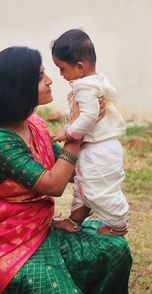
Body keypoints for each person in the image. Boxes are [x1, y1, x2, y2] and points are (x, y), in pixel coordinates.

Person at [0, 46, 132, 294]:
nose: (49, 81)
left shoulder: (35, 124)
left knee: (114, 249)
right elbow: (54, 185)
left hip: (41, 228)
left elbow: (68, 172)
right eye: (39, 76)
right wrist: (77, 133)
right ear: (17, 87)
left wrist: (94, 131)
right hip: (4, 243)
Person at [51, 29, 129, 235]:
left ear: (79, 67)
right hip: (97, 148)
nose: (60, 74)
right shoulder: (95, 81)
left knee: (98, 190)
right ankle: (74, 221)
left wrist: (67, 133)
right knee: (82, 186)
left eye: (61, 68)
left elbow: (89, 116)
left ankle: (118, 223)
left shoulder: (84, 87)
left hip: (99, 150)